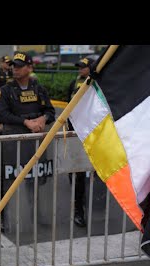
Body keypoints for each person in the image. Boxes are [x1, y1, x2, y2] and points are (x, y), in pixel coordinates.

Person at [0, 52, 55, 232]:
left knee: (35, 180)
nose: (15, 69)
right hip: (13, 143)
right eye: (14, 66)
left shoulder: (38, 88)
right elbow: (1, 114)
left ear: (30, 68)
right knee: (8, 182)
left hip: (35, 143)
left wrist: (43, 119)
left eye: (19, 66)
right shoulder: (5, 90)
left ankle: (36, 215)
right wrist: (26, 122)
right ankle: (5, 218)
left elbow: (50, 111)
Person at [66, 57, 94, 227]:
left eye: (83, 67)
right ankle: (79, 210)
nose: (80, 70)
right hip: (75, 133)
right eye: (79, 67)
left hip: (93, 132)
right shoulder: (74, 83)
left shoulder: (97, 84)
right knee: (78, 173)